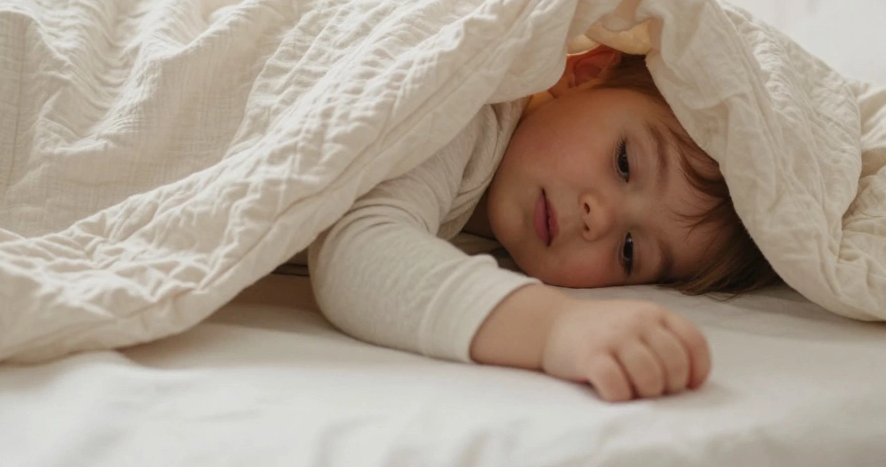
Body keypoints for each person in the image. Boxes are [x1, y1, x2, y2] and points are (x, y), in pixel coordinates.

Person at [307, 44, 778, 403]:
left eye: (630, 250)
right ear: (585, 74)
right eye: (624, 163)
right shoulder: (466, 111)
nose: (602, 218)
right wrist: (555, 328)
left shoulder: (493, 225)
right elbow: (354, 249)